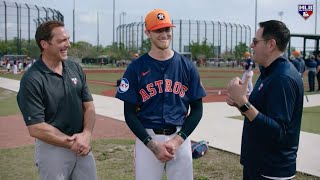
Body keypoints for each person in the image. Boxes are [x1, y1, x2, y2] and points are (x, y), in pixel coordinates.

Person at [116, 9, 206, 180]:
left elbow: (197, 110)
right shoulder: (136, 68)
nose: (164, 34)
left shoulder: (188, 67)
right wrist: (152, 145)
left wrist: (178, 140)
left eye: (167, 29)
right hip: (148, 138)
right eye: (158, 30)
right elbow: (129, 113)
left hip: (180, 137)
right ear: (147, 32)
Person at [16, 21, 97, 180]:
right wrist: (71, 143)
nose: (68, 44)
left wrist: (86, 135)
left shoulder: (75, 68)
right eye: (61, 41)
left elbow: (89, 107)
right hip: (53, 150)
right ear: (44, 44)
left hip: (82, 145)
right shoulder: (32, 79)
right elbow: (36, 127)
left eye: (68, 39)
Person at [226, 20, 304, 179]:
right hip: (259, 164)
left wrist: (243, 102)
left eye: (255, 41)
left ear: (271, 44)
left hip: (271, 170)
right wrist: (240, 104)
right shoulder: (270, 72)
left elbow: (277, 131)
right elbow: (262, 114)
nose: (251, 45)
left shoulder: (282, 77)